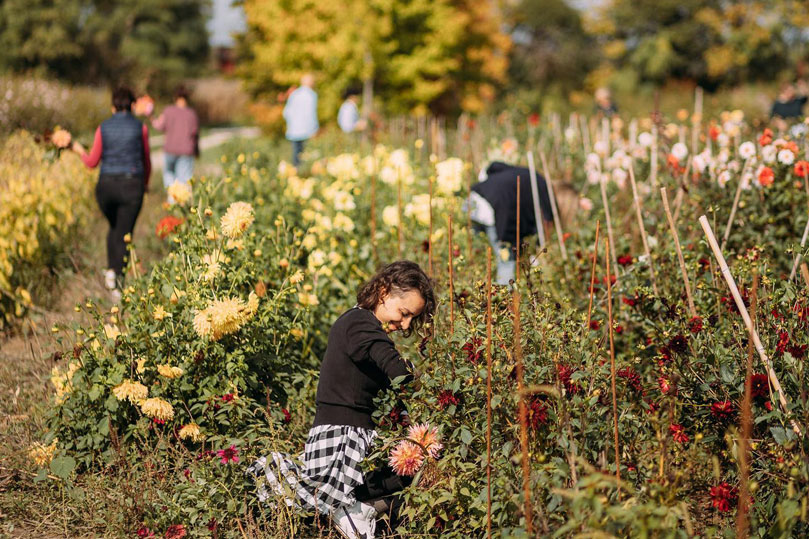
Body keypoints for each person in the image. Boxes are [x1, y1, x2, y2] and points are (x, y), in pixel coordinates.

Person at [248, 261, 435, 539]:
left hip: (348, 433)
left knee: (413, 464)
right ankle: (348, 507)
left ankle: (353, 506)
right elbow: (397, 372)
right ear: (383, 291)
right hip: (344, 438)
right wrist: (432, 392)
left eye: (412, 319)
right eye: (404, 313)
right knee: (411, 467)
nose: (405, 324)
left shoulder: (362, 326)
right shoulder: (360, 324)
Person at [72, 87, 150, 301]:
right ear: (133, 105)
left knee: (115, 228)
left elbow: (91, 162)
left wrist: (77, 148)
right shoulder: (140, 128)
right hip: (132, 186)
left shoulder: (102, 128)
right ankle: (117, 282)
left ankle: (110, 272)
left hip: (105, 188)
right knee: (125, 234)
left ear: (112, 106)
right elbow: (147, 161)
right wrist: (145, 184)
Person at [469, 162, 553, 285]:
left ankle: (476, 287)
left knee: (478, 252)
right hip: (493, 209)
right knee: (506, 259)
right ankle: (503, 298)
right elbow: (547, 217)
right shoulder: (537, 181)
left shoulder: (509, 176)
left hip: (472, 199)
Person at [149, 85, 199, 203]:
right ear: (187, 98)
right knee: (185, 180)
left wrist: (151, 115)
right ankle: (184, 205)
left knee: (169, 176)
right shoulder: (192, 114)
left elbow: (158, 125)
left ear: (175, 98)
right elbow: (195, 134)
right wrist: (196, 151)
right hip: (186, 152)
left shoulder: (168, 111)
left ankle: (172, 202)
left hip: (170, 151)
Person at [283, 73, 319, 167]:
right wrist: (314, 129)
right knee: (308, 158)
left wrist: (291, 124)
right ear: (311, 83)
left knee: (296, 158)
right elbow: (311, 114)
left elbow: (286, 113)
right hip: (307, 131)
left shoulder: (294, 94)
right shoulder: (311, 95)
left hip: (294, 130)